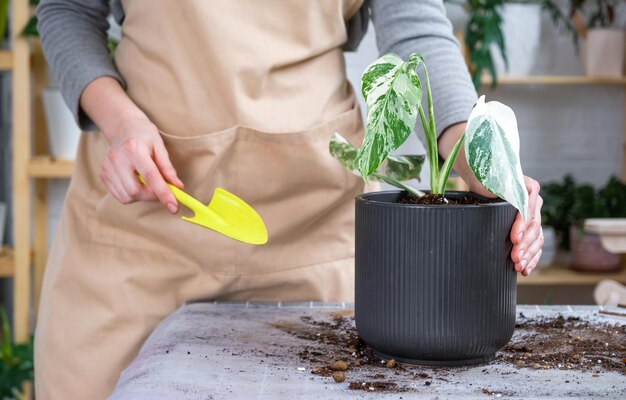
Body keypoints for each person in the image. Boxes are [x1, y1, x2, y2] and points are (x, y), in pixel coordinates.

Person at [35, 0, 544, 398]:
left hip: (312, 226)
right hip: (144, 216)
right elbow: (67, 11)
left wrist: (482, 163)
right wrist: (121, 124)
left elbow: (417, 30)